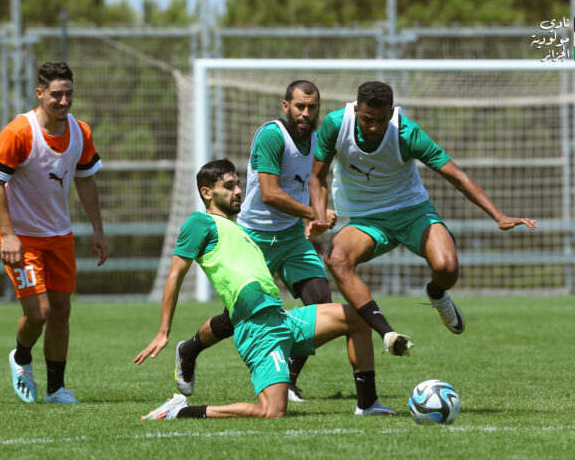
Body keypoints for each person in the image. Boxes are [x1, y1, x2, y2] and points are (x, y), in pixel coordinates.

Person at [134, 159, 401, 420]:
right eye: (228, 186)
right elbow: (175, 273)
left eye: (238, 185)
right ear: (207, 193)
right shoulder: (199, 223)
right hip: (258, 329)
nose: (238, 191)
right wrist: (163, 330)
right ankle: (180, 410)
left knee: (356, 318)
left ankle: (368, 404)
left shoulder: (240, 230)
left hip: (281, 319)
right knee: (272, 411)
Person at [308, 81, 537, 353]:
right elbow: (317, 177)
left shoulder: (406, 133)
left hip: (412, 211)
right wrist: (320, 217)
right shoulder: (336, 125)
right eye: (367, 119)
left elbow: (457, 177)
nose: (373, 127)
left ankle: (437, 294)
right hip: (366, 218)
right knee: (337, 259)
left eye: (381, 120)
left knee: (447, 267)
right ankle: (388, 333)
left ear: (391, 114)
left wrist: (498, 215)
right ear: (357, 109)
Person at [172, 81, 337, 403]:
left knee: (321, 304)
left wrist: (311, 218)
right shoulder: (272, 135)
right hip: (255, 238)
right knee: (238, 318)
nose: (306, 113)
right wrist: (314, 214)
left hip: (292, 238)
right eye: (300, 106)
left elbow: (317, 181)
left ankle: (288, 381)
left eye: (312, 107)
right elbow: (270, 194)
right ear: (285, 106)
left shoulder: (318, 140)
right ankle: (189, 349)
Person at [0, 61, 107, 404]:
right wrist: (8, 234)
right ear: (40, 94)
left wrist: (97, 229)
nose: (64, 101)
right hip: (21, 237)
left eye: (69, 93)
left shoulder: (80, 131)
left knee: (62, 311)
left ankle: (56, 389)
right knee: (39, 313)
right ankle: (21, 357)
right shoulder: (19, 132)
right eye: (56, 94)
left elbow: (86, 180)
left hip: (59, 235)